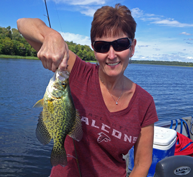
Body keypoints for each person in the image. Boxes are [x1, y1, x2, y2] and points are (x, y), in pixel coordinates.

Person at [17, 4, 158, 177]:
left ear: (132, 47)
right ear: (93, 48)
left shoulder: (145, 102)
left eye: (120, 44)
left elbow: (143, 164)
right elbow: (22, 24)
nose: (111, 55)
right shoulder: (76, 72)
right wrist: (51, 35)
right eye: (102, 46)